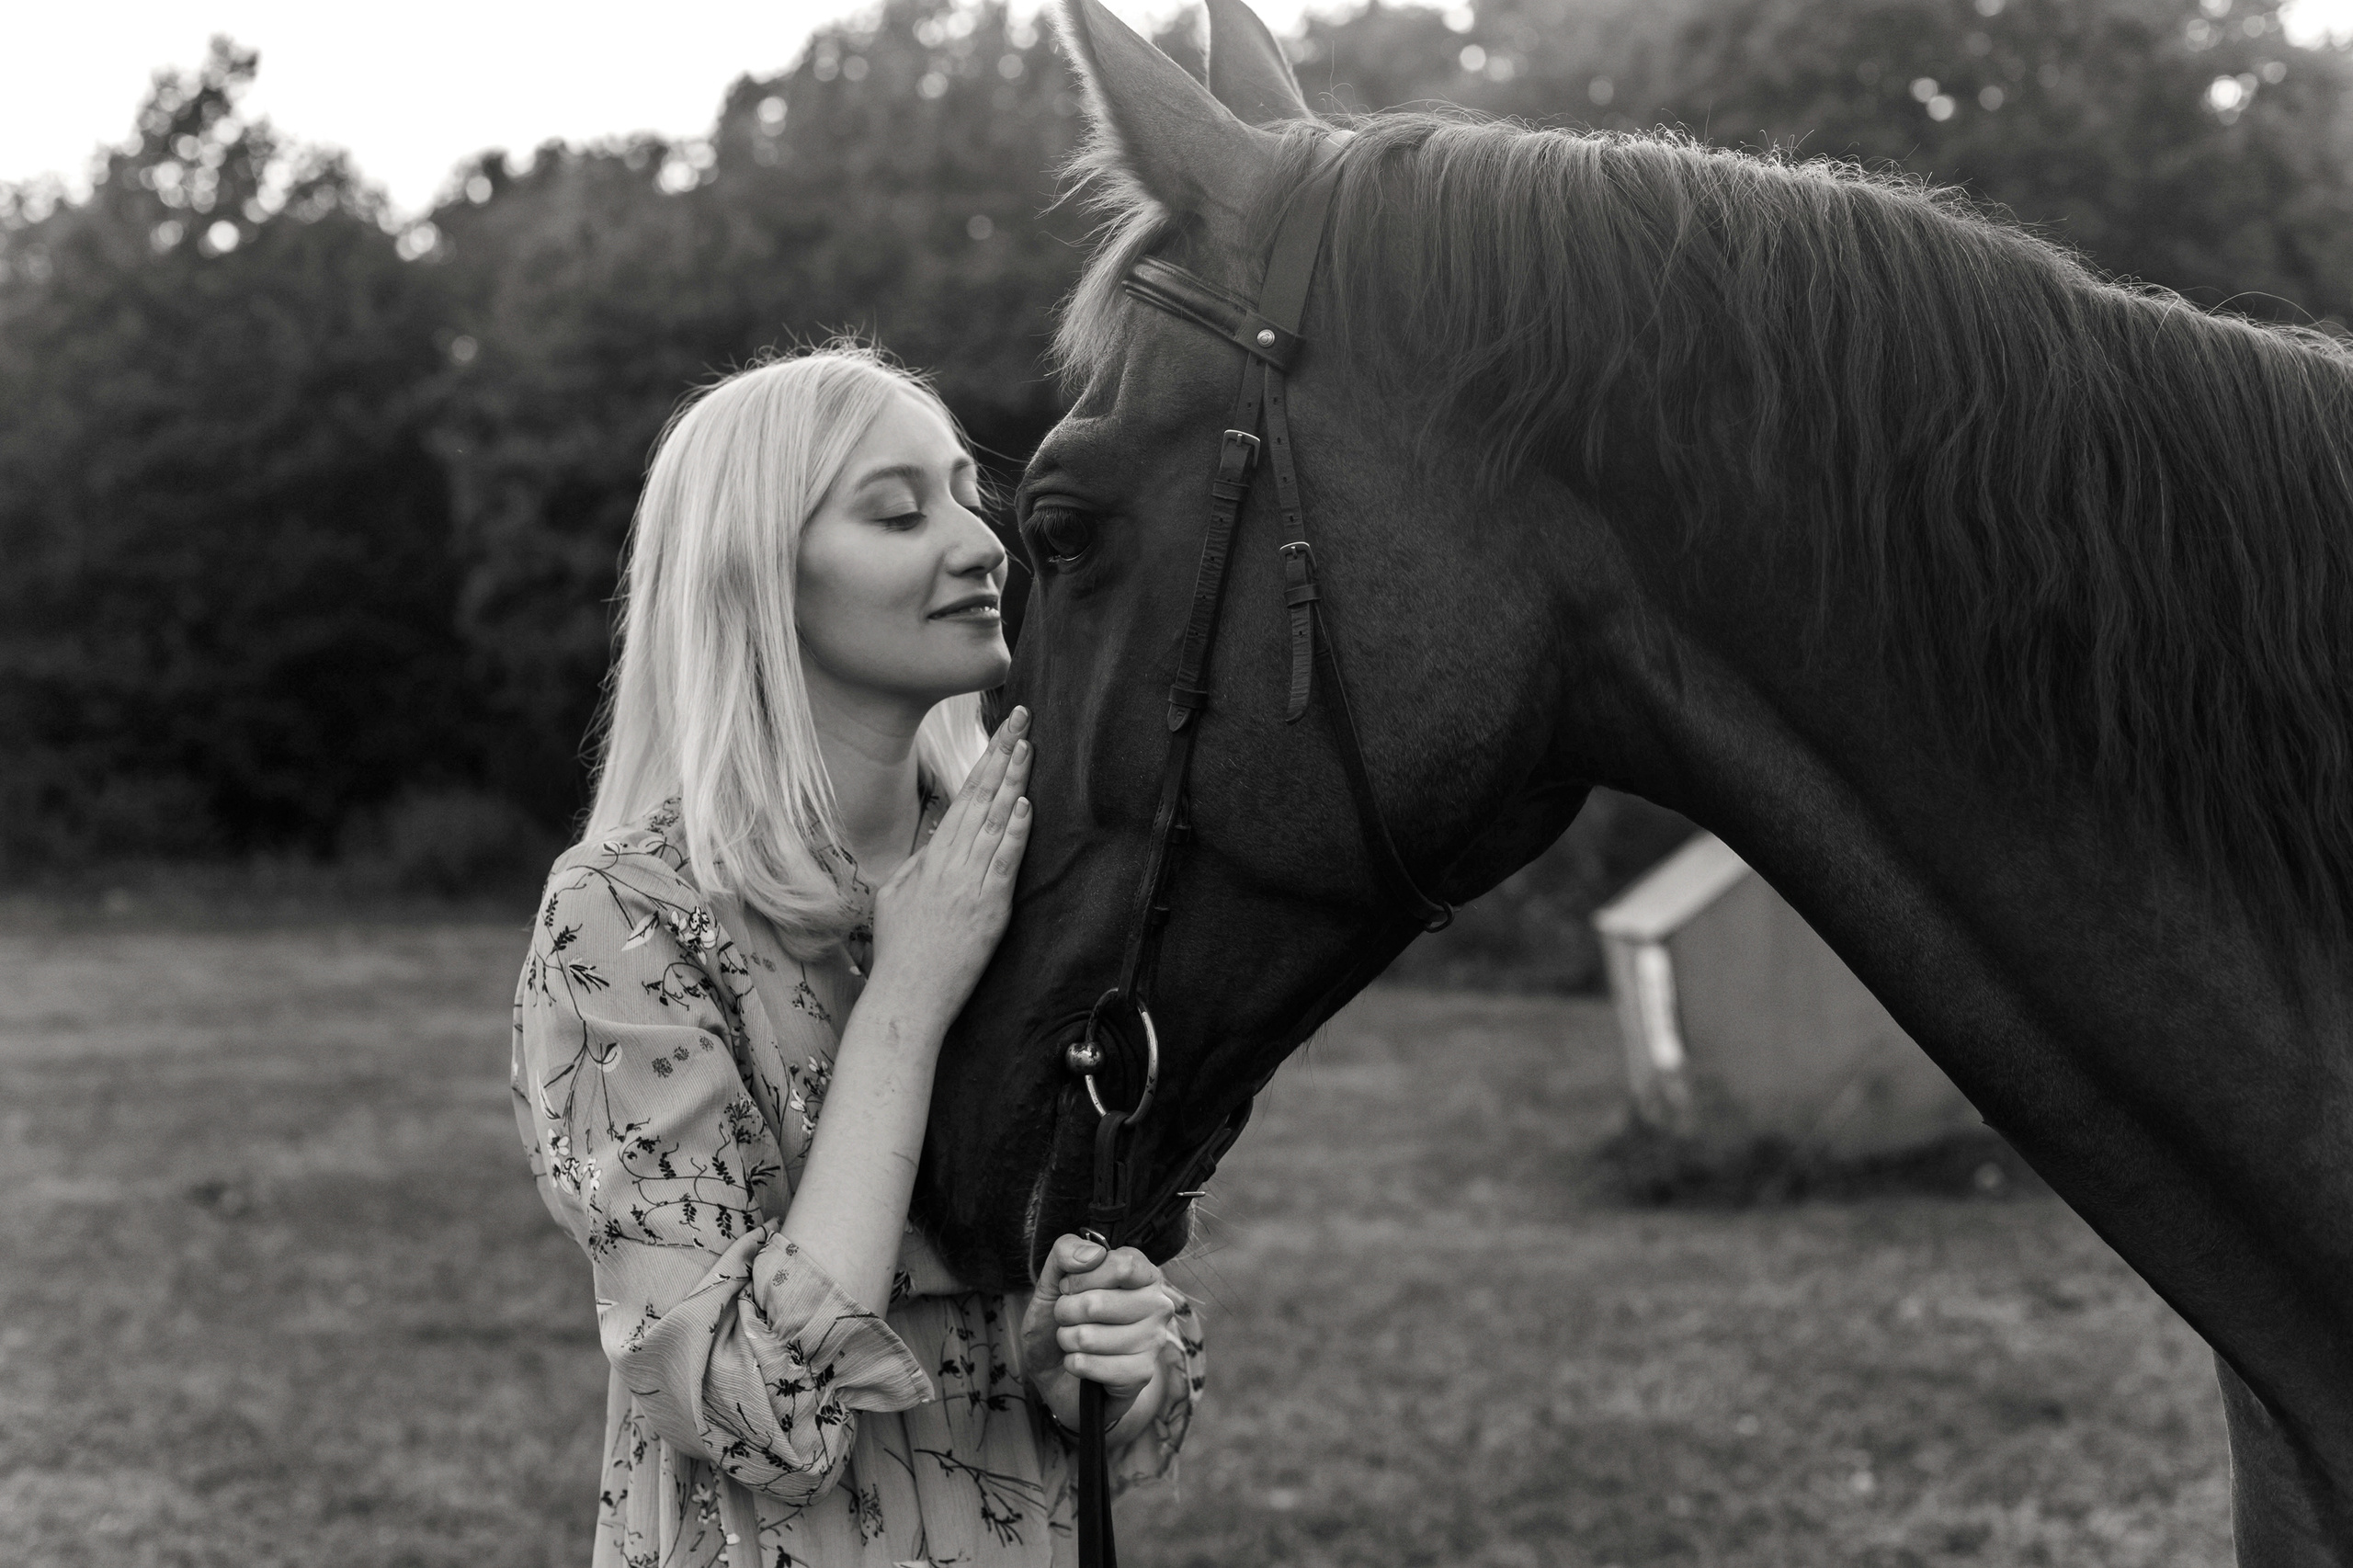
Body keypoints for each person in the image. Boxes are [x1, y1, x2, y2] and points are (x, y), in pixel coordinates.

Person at [510, 345, 1201, 1568]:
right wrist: (906, 1000)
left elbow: (1078, 1332)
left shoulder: (1026, 878)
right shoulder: (626, 917)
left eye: (964, 496)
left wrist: (1095, 1362)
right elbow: (745, 1406)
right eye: (896, 510)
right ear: (755, 576)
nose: (986, 544)